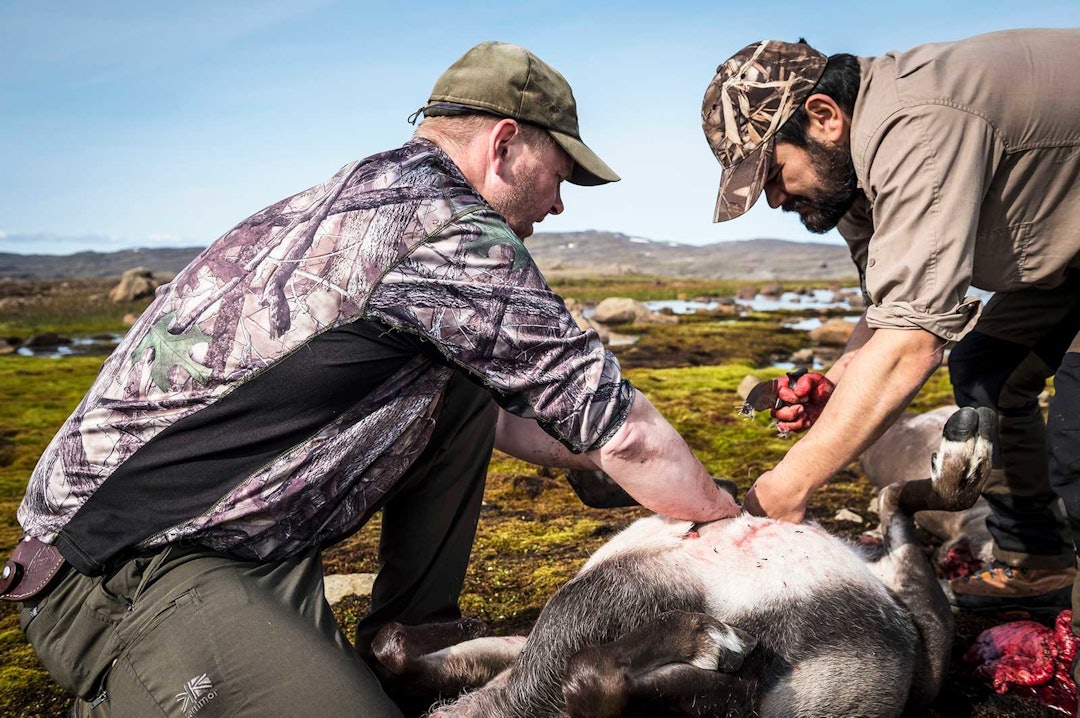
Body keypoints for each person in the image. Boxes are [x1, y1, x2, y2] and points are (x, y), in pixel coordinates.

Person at [3, 41, 739, 717]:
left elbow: (515, 415)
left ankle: (413, 644)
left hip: (241, 541)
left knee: (463, 382)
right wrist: (732, 526)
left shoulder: (368, 193)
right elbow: (627, 432)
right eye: (560, 174)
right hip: (123, 571)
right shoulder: (452, 230)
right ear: (505, 145)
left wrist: (591, 458)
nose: (559, 201)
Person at [700, 30, 1080, 635]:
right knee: (987, 368)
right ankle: (1037, 563)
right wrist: (838, 380)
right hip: (1062, 246)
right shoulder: (850, 181)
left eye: (772, 173)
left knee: (1077, 437)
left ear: (823, 117)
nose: (773, 200)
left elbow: (912, 345)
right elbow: (890, 311)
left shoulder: (915, 129)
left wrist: (783, 487)